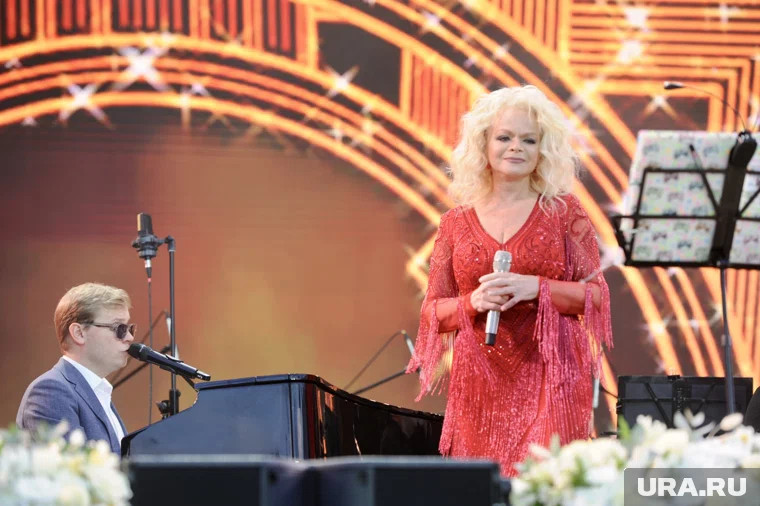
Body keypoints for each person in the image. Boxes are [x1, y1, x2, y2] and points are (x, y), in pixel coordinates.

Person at [407, 85, 613, 476]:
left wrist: (537, 288)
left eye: (528, 140)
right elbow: (432, 312)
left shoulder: (565, 212)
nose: (516, 147)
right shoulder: (454, 223)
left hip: (552, 376)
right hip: (479, 384)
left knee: (545, 485)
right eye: (504, 137)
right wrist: (472, 302)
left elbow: (597, 296)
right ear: (483, 144)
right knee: (483, 489)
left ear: (543, 150)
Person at [17, 282, 134, 453]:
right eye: (119, 328)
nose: (129, 337)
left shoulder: (97, 392)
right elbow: (70, 467)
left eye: (130, 328)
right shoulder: (51, 391)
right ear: (79, 333)